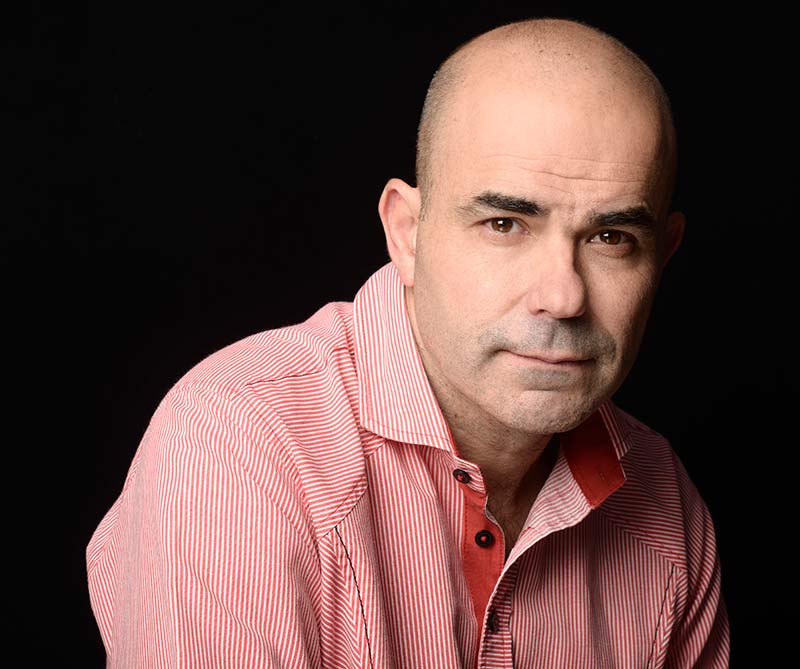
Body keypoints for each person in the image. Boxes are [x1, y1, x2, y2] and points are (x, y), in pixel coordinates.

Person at [86, 17, 729, 668]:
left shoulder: (665, 509)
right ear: (407, 232)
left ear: (663, 255)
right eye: (504, 223)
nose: (563, 296)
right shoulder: (240, 446)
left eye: (612, 238)